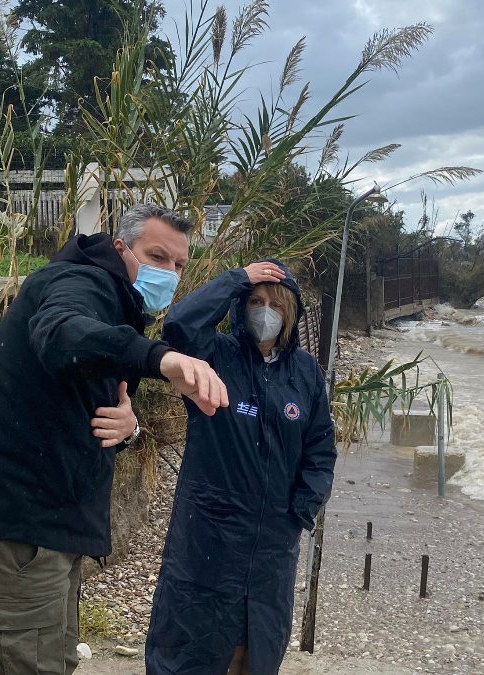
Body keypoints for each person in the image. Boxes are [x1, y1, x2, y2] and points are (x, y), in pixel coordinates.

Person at [0, 204, 228, 675]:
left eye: (178, 265)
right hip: (17, 528)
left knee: (57, 661)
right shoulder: (79, 283)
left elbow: (91, 401)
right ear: (120, 249)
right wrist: (162, 360)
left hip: (48, 527)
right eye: (157, 255)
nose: (168, 273)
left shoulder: (119, 307)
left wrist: (129, 427)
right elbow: (62, 334)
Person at [146, 259, 337, 674]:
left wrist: (300, 511)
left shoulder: (305, 373)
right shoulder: (214, 357)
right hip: (208, 541)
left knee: (257, 653)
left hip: (272, 550)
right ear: (240, 305)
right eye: (255, 301)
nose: (265, 310)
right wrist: (238, 278)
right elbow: (178, 326)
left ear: (291, 312)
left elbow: (320, 449)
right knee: (192, 651)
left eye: (275, 303)